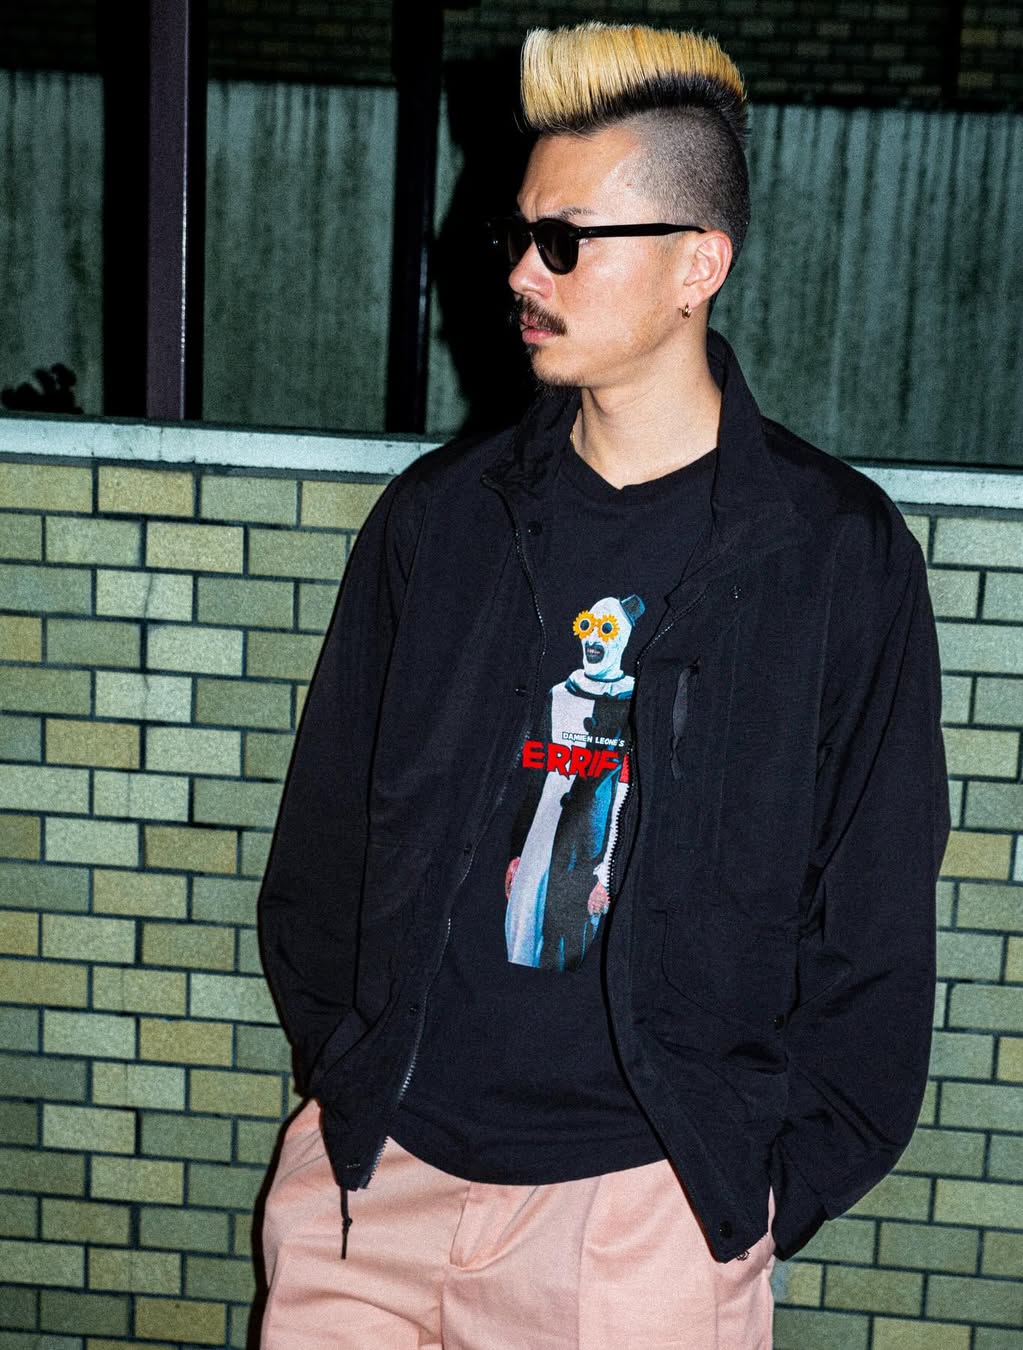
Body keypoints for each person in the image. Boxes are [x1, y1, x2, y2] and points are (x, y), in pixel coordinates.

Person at [257, 22, 949, 1349]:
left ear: (699, 264)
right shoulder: (441, 522)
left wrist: (749, 1191)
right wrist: (347, 1073)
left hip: (642, 1217)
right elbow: (328, 839)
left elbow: (872, 915)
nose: (523, 270)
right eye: (519, 234)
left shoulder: (831, 558)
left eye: (566, 240)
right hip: (375, 1190)